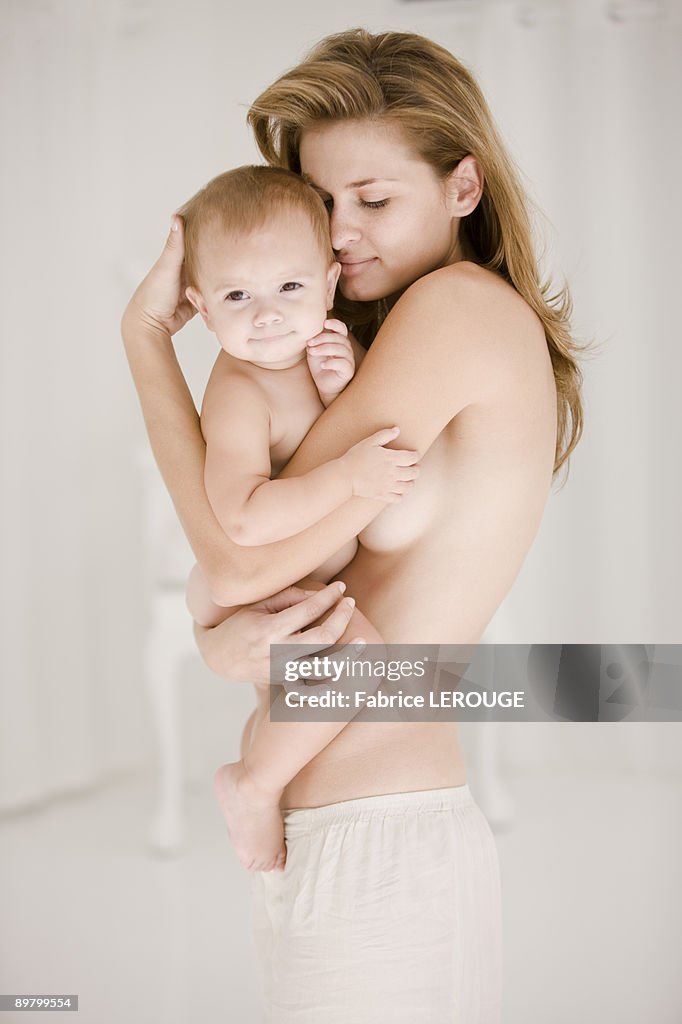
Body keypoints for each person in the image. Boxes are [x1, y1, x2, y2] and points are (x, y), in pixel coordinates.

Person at [122, 27, 583, 1024]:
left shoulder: (456, 308)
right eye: (324, 207)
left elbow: (234, 545)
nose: (341, 235)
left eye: (375, 200)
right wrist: (218, 641)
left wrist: (145, 337)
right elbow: (270, 573)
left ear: (462, 188)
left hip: (383, 832)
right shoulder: (367, 346)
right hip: (346, 822)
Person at [179, 163, 420, 871]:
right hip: (251, 579)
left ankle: (261, 775)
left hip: (289, 579)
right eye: (236, 295)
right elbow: (245, 520)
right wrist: (346, 476)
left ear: (328, 280)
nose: (266, 314)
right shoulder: (239, 388)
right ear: (201, 305)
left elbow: (328, 426)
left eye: (289, 287)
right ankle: (252, 784)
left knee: (289, 702)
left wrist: (345, 384)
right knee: (365, 661)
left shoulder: (315, 354)